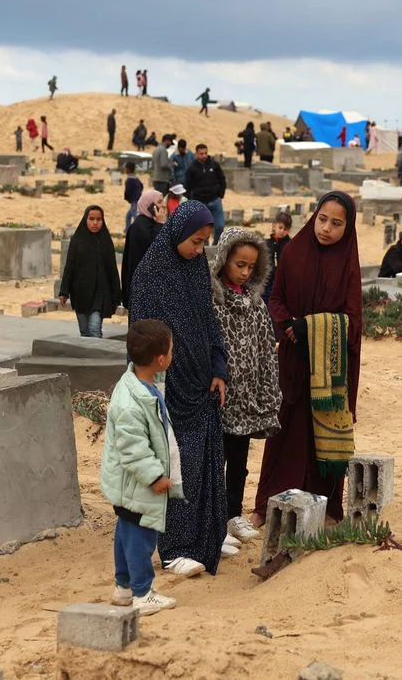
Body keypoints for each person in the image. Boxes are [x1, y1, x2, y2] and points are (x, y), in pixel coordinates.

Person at [128, 202, 230, 577]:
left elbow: (207, 319)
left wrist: (218, 367)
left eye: (205, 242)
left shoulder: (196, 266)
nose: (199, 250)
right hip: (169, 388)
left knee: (205, 460)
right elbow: (141, 339)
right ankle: (175, 548)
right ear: (176, 232)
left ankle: (207, 535)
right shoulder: (151, 274)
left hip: (201, 383)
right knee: (177, 463)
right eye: (195, 242)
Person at [253, 192, 362, 526]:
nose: (326, 228)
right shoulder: (295, 250)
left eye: (336, 223)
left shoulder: (347, 265)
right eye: (322, 219)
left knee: (323, 432)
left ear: (348, 227)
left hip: (328, 369)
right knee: (284, 432)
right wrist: (288, 328)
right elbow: (276, 298)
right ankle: (266, 505)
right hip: (293, 359)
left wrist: (311, 329)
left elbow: (353, 321)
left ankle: (327, 508)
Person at [100, 318, 182, 615]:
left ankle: (123, 588)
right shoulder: (129, 402)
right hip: (136, 483)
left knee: (125, 533)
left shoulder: (143, 383)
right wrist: (155, 477)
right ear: (161, 360)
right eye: (172, 350)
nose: (174, 354)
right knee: (140, 539)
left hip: (129, 485)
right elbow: (134, 450)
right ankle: (142, 593)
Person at [209, 228, 282, 544]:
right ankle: (213, 522)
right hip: (218, 398)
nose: (245, 272)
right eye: (239, 264)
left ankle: (233, 515)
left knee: (238, 462)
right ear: (224, 259)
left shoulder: (255, 304)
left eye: (251, 267)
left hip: (245, 400)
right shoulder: (212, 301)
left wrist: (267, 389)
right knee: (215, 460)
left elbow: (267, 347)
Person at [59, 205, 122, 338]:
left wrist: (117, 295)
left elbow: (112, 269)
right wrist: (64, 291)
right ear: (85, 219)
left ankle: (98, 358)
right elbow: (69, 267)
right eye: (91, 219)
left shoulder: (105, 241)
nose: (95, 223)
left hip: (100, 293)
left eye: (99, 219)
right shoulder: (77, 241)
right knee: (84, 332)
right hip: (80, 294)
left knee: (94, 330)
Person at [122, 190, 165, 308]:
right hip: (142, 290)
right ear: (149, 205)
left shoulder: (149, 224)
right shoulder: (140, 227)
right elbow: (154, 249)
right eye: (160, 202)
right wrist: (160, 224)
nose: (164, 205)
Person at [186, 144, 227, 242]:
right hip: (200, 202)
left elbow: (222, 180)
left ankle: (216, 244)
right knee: (202, 229)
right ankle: (205, 249)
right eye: (201, 154)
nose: (204, 155)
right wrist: (191, 200)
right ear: (196, 154)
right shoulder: (192, 168)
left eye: (205, 153)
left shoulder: (214, 165)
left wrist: (220, 195)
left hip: (215, 200)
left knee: (220, 226)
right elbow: (188, 185)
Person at [264, 212, 291, 301]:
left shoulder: (290, 244)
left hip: (282, 280)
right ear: (274, 226)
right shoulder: (267, 243)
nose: (282, 231)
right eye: (280, 227)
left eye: (286, 229)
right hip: (267, 279)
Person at [123, 161, 143, 231]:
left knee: (135, 215)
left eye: (125, 168)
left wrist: (127, 198)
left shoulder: (129, 180)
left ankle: (138, 229)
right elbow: (141, 186)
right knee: (128, 215)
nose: (124, 170)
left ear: (128, 169)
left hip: (134, 200)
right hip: (138, 198)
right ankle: (127, 229)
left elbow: (127, 191)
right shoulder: (136, 178)